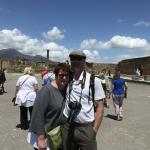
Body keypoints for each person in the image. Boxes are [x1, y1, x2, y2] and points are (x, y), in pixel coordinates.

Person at [62, 50, 105, 150]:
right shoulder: (67, 78)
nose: (75, 61)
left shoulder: (94, 81)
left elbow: (100, 107)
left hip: (86, 129)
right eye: (72, 59)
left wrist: (94, 130)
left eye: (79, 59)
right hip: (68, 126)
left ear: (84, 62)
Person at [27, 63, 71, 150]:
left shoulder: (66, 90)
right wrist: (41, 138)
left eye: (67, 75)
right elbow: (37, 114)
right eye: (61, 75)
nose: (64, 77)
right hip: (45, 137)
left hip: (56, 136)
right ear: (55, 75)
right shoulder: (46, 91)